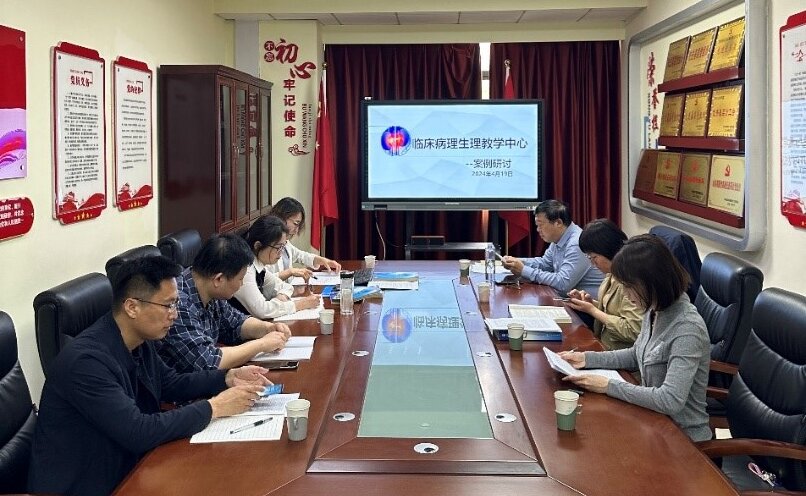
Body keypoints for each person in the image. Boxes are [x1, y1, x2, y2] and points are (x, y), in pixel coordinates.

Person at [28, 256, 271, 496]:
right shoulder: (85, 362)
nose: (174, 314)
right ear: (132, 307)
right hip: (88, 485)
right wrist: (215, 407)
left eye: (176, 304)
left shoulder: (138, 339)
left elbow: (170, 382)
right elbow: (138, 431)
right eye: (168, 305)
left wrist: (227, 378)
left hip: (131, 467)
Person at [558, 235, 711, 442]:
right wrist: (586, 359)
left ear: (653, 282)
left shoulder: (687, 328)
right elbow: (636, 354)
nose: (625, 294)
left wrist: (607, 385)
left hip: (683, 438)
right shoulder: (655, 308)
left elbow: (670, 400)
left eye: (629, 287)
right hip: (652, 421)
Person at [157, 233, 291, 373]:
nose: (242, 284)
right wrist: (262, 344)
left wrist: (267, 328)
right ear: (219, 279)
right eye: (240, 279)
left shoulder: (209, 289)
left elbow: (236, 323)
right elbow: (208, 361)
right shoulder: (178, 303)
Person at [565, 219, 642, 350]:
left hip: (622, 355)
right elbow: (613, 311)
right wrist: (590, 303)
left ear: (608, 250)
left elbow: (633, 330)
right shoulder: (611, 274)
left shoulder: (630, 280)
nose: (592, 263)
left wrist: (592, 310)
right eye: (589, 257)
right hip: (604, 345)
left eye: (594, 257)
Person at [501, 199, 604, 298]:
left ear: (558, 223)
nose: (538, 230)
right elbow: (545, 264)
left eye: (540, 225)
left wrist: (524, 270)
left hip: (587, 305)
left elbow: (563, 283)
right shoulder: (560, 237)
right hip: (568, 299)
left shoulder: (576, 243)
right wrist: (516, 262)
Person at [232, 215, 320, 319]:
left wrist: (280, 299)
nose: (281, 253)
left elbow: (286, 287)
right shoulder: (245, 269)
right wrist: (300, 304)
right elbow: (262, 311)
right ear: (257, 246)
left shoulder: (258, 265)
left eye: (283, 247)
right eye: (278, 247)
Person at [269, 197, 341, 281]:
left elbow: (301, 256)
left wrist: (323, 260)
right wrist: (290, 272)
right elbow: (263, 281)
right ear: (282, 218)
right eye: (295, 224)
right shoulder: (266, 244)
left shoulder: (285, 243)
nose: (296, 230)